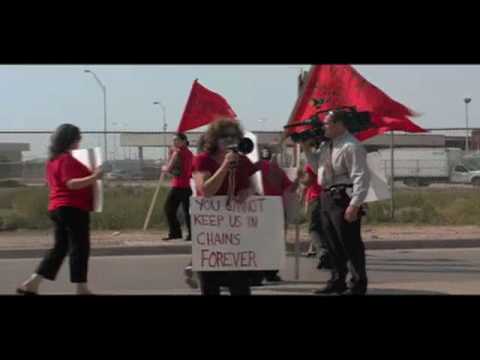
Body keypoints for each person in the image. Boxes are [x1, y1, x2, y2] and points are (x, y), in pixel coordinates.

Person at [16, 124, 103, 295]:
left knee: (60, 247)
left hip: (58, 207)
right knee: (80, 247)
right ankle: (81, 288)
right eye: (78, 139)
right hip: (73, 207)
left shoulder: (52, 161)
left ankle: (32, 283)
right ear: (71, 140)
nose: (79, 142)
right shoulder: (66, 160)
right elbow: (71, 184)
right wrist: (95, 177)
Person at [301, 110, 370, 295]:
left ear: (340, 125)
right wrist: (307, 149)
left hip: (343, 196)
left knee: (350, 242)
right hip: (326, 196)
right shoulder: (327, 146)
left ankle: (357, 284)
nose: (324, 127)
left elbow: (361, 176)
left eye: (327, 123)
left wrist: (355, 204)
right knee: (332, 242)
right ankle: (337, 280)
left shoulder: (351, 146)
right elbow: (319, 169)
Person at [192, 118, 258, 296]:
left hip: (235, 233)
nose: (229, 139)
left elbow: (254, 189)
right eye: (224, 136)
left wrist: (248, 192)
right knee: (210, 284)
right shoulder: (202, 160)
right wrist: (225, 166)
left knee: (240, 286)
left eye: (233, 136)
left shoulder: (243, 161)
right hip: (210, 232)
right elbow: (206, 190)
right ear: (214, 138)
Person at [253, 146, 299, 284]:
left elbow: (289, 188)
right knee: (272, 243)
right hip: (269, 209)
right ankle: (268, 273)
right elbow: (290, 188)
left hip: (268, 209)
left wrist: (297, 179)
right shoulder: (267, 168)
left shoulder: (272, 170)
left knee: (266, 243)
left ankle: (265, 273)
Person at [300, 163, 333, 270]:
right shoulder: (330, 159)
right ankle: (328, 256)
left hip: (317, 198)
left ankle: (323, 251)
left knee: (314, 229)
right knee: (327, 228)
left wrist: (299, 177)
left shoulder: (313, 162)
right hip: (331, 196)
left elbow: (308, 181)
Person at [162, 133, 194, 241]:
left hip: (178, 185)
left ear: (184, 141)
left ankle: (175, 233)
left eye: (176, 140)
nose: (174, 142)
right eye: (173, 140)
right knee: (187, 211)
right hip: (187, 185)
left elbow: (169, 168)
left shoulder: (178, 152)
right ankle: (191, 234)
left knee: (168, 209)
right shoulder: (190, 153)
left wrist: (164, 167)